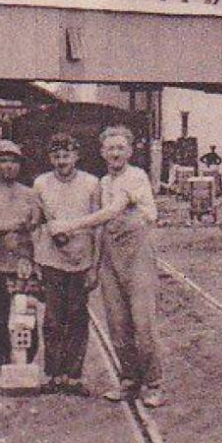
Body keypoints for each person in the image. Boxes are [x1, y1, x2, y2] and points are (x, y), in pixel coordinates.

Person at [47, 125, 164, 408]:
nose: (115, 153)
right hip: (112, 257)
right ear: (102, 153)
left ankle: (153, 384)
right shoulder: (103, 183)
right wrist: (96, 266)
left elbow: (112, 212)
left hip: (138, 258)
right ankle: (129, 381)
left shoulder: (136, 177)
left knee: (142, 323)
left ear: (130, 151)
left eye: (120, 148)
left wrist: (70, 225)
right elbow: (101, 227)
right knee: (118, 323)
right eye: (110, 148)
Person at [32, 133, 101, 395]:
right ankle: (53, 373)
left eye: (67, 155)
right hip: (51, 260)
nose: (62, 161)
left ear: (76, 156)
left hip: (81, 260)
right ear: (50, 158)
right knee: (52, 319)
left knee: (77, 316)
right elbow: (37, 223)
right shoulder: (41, 184)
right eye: (57, 156)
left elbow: (97, 226)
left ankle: (74, 376)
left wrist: (94, 266)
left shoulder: (91, 184)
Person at [0, 140, 44, 376]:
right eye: (3, 161)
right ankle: (0, 369)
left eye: (13, 161)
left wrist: (28, 229)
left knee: (27, 319)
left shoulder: (30, 193)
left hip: (23, 265)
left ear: (20, 165)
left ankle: (24, 367)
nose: (8, 166)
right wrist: (17, 224)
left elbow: (35, 224)